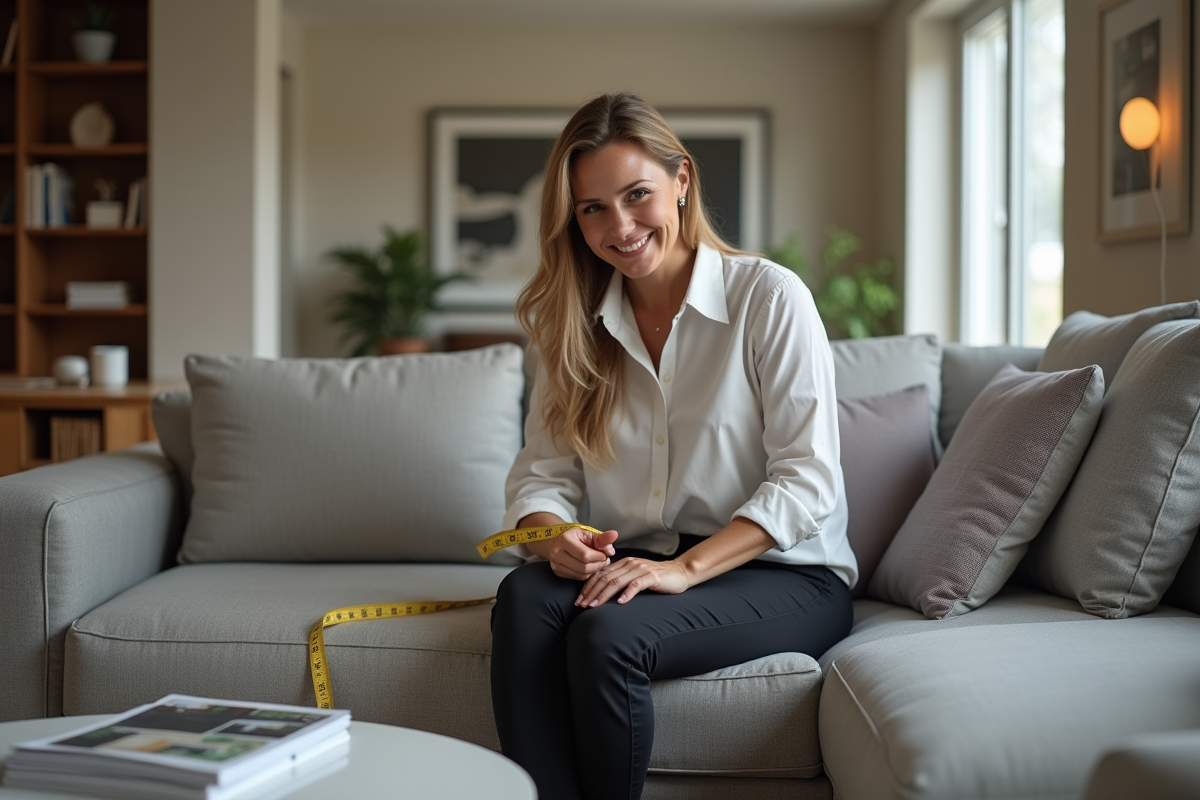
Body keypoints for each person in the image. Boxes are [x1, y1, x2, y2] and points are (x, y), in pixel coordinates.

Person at [490, 92, 857, 800]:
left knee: (605, 639)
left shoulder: (769, 299)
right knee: (523, 601)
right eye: (592, 208)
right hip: (643, 561)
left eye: (637, 196)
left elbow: (808, 479)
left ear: (681, 181)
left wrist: (685, 571)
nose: (619, 227)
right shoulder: (574, 328)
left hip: (784, 573)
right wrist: (552, 539)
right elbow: (541, 479)